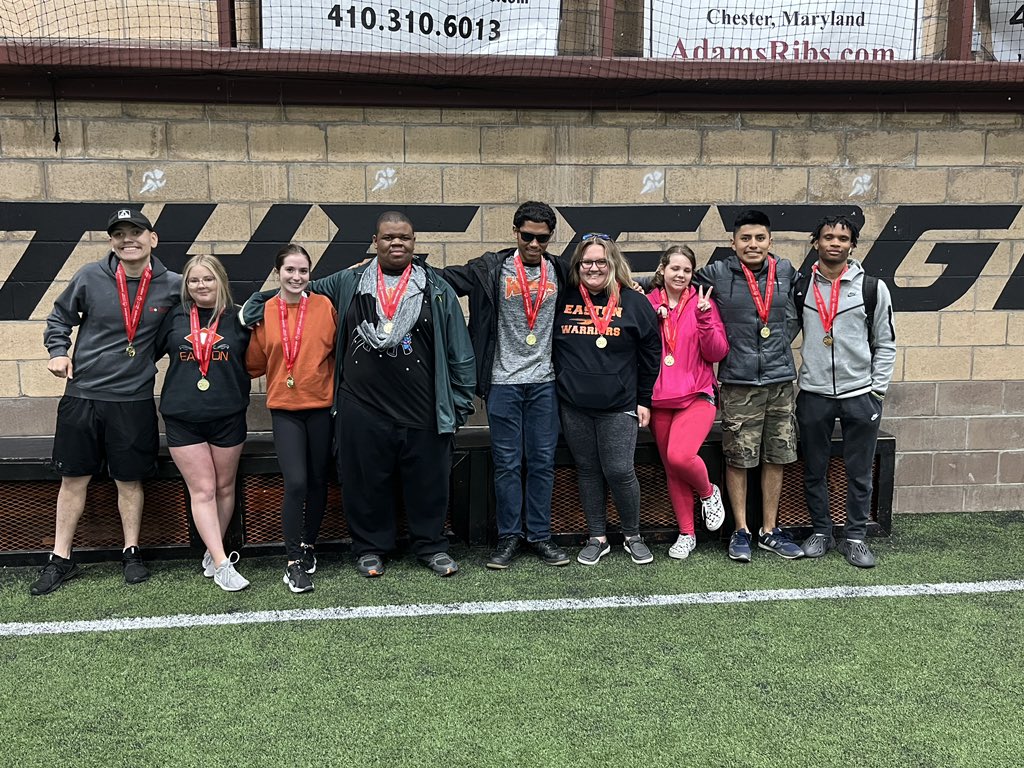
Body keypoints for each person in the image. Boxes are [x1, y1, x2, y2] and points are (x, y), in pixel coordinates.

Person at [242, 212, 476, 579]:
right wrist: (258, 303)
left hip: (423, 408)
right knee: (365, 483)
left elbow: (459, 352)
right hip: (361, 407)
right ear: (375, 241)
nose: (396, 243)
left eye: (404, 237)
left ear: (414, 243)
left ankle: (431, 545)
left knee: (428, 483)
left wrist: (459, 406)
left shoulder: (436, 287)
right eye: (388, 237)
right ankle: (370, 548)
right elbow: (299, 289)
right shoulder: (348, 281)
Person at [33, 208, 181, 595]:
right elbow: (59, 318)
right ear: (112, 241)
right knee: (73, 479)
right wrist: (58, 351)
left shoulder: (172, 285)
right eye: (119, 234)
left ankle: (131, 552)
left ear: (153, 239)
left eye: (136, 232)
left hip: (132, 399)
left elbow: (205, 312)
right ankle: (61, 557)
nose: (127, 239)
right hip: (83, 396)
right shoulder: (89, 276)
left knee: (129, 480)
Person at [439, 201, 570, 570]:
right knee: (507, 464)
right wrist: (395, 265)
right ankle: (510, 536)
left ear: (550, 237)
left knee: (542, 462)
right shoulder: (489, 268)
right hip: (502, 383)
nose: (534, 244)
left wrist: (647, 285)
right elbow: (444, 278)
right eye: (527, 236)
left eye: (542, 238)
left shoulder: (561, 269)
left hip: (545, 382)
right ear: (515, 232)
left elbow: (603, 277)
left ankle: (540, 535)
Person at [693, 210, 805, 563]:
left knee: (777, 455)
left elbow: (797, 312)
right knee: (738, 457)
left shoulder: (785, 271)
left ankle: (769, 530)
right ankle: (740, 530)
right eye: (745, 238)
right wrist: (637, 285)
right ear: (733, 243)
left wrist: (778, 343)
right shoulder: (717, 273)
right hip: (739, 383)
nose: (752, 244)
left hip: (780, 381)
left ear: (770, 241)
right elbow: (673, 279)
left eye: (759, 238)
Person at [794, 216, 896, 568]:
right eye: (828, 237)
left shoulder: (872, 288)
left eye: (842, 238)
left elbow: (886, 343)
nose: (834, 243)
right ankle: (821, 532)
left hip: (860, 393)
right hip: (814, 393)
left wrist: (876, 391)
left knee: (859, 472)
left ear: (853, 245)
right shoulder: (801, 288)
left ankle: (855, 538)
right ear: (816, 243)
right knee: (814, 468)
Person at [553, 233, 661, 565]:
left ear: (613, 263)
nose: (594, 268)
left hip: (619, 405)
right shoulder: (562, 298)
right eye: (587, 262)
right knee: (587, 470)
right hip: (574, 405)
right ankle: (597, 537)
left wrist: (644, 399)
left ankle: (632, 535)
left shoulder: (634, 302)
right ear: (577, 266)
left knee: (619, 470)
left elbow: (652, 353)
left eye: (601, 261)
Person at [156, 254, 251, 591]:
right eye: (194, 280)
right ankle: (223, 564)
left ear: (220, 280)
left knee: (224, 488)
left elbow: (257, 357)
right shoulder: (175, 316)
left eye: (208, 279)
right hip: (183, 417)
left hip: (228, 415)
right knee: (204, 489)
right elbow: (146, 352)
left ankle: (213, 552)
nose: (201, 286)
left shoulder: (240, 317)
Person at [246, 244, 337, 593]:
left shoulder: (325, 307)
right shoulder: (265, 312)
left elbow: (337, 352)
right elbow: (254, 363)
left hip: (321, 407)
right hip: (284, 409)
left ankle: (309, 545)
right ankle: (293, 562)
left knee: (317, 481)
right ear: (278, 273)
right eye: (290, 270)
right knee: (296, 482)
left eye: (303, 271)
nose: (296, 277)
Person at [646, 245, 730, 560]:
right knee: (672, 469)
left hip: (697, 394)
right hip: (659, 399)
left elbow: (717, 352)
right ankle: (686, 533)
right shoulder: (647, 302)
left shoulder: (703, 303)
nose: (680, 275)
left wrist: (705, 319)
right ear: (662, 269)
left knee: (680, 456)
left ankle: (709, 492)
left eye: (686, 270)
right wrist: (650, 318)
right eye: (675, 268)